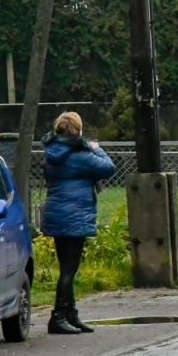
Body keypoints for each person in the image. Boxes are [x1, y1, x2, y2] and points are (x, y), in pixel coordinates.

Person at [41, 111, 115, 335]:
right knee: (69, 270)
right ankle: (59, 316)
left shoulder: (51, 153)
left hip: (56, 212)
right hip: (75, 215)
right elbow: (108, 167)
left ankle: (71, 315)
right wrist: (96, 147)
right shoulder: (80, 156)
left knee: (66, 267)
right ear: (78, 130)